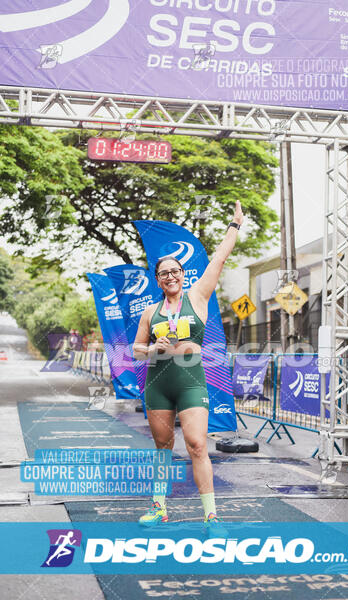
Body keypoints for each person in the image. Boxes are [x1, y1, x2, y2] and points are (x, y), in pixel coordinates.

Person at [133, 200, 244, 530]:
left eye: (175, 272)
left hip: (191, 382)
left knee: (197, 445)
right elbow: (136, 350)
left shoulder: (198, 297)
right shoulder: (150, 312)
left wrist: (234, 225)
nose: (170, 277)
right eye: (164, 273)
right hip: (158, 386)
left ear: (183, 276)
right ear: (158, 279)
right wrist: (154, 348)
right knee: (162, 449)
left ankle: (211, 517)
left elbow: (220, 258)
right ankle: (159, 508)